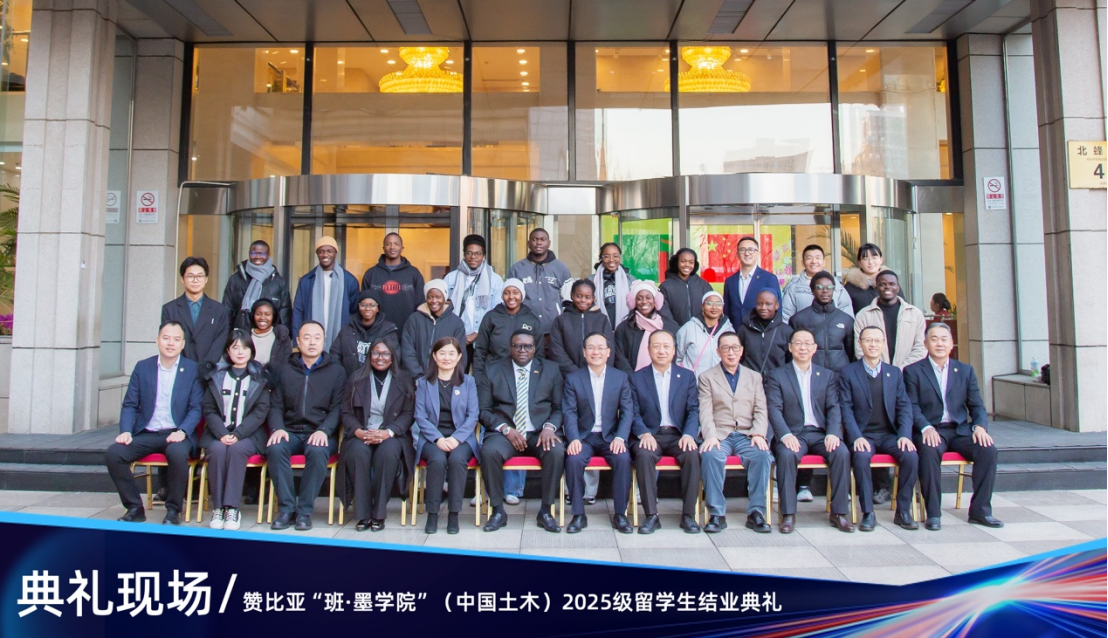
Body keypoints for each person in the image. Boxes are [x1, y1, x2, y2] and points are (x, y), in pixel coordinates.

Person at [905, 323, 1002, 531]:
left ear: (951, 344)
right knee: (929, 451)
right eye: (934, 339)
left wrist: (979, 426)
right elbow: (911, 406)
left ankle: (980, 511)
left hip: (959, 431)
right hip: (930, 430)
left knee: (988, 450)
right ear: (925, 343)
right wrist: (925, 427)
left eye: (944, 339)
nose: (939, 343)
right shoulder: (913, 371)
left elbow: (977, 405)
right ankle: (933, 513)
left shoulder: (965, 371)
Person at [105, 321, 203, 525]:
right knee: (114, 454)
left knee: (177, 454)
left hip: (177, 433)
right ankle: (134, 508)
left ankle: (173, 510)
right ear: (157, 340)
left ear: (183, 344)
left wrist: (183, 431)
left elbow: (196, 408)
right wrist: (126, 430)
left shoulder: (192, 369)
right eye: (166, 338)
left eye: (176, 339)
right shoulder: (143, 367)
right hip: (147, 432)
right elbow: (130, 404)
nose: (170, 343)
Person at [765, 329, 854, 534]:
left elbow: (833, 407)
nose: (803, 348)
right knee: (786, 455)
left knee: (841, 452)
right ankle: (788, 514)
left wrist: (833, 432)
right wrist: (785, 434)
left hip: (821, 433)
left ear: (814, 348)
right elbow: (774, 408)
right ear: (790, 347)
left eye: (807, 344)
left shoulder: (827, 375)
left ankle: (839, 513)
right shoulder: (777, 375)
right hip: (792, 434)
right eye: (798, 343)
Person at [479, 330, 566, 533]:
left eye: (527, 346)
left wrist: (549, 427)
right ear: (509, 348)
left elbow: (560, 407)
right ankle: (497, 511)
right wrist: (505, 429)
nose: (522, 350)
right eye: (517, 346)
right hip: (505, 433)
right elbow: (483, 410)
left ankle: (546, 511)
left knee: (556, 451)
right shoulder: (493, 369)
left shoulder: (550, 369)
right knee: (489, 451)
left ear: (535, 348)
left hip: (539, 432)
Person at [266, 321, 347, 531]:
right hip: (290, 431)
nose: (312, 342)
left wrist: (324, 430)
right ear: (298, 341)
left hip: (320, 432)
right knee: (275, 448)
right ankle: (286, 510)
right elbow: (275, 405)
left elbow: (338, 409)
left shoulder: (336, 371)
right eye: (307, 337)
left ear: (324, 341)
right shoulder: (284, 370)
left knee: (317, 451)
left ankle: (304, 512)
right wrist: (278, 428)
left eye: (317, 338)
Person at [838, 326, 919, 532]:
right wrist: (856, 437)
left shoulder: (894, 373)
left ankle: (903, 511)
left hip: (889, 434)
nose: (873, 344)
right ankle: (868, 512)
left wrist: (905, 435)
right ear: (860, 343)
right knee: (861, 456)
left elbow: (904, 407)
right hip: (863, 435)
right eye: (868, 340)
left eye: (877, 341)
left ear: (883, 344)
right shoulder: (848, 372)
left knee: (910, 455)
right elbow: (845, 408)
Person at [698, 331, 773, 534]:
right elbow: (705, 411)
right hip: (720, 434)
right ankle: (716, 514)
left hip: (747, 434)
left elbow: (760, 409)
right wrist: (710, 436)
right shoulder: (706, 377)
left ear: (741, 351)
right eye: (726, 348)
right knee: (711, 455)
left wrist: (758, 433)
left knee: (762, 455)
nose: (731, 352)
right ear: (718, 351)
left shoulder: (754, 377)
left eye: (735, 348)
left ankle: (756, 513)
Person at [628, 330, 702, 534]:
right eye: (656, 346)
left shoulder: (686, 376)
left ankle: (688, 515)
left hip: (678, 435)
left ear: (674, 350)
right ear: (648, 349)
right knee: (643, 455)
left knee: (692, 454)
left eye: (666, 346)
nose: (661, 351)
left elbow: (693, 410)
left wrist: (689, 434)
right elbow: (632, 412)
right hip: (650, 434)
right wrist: (643, 433)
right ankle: (651, 515)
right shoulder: (636, 378)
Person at [340, 338, 415, 532]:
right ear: (369, 355)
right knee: (357, 453)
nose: (380, 357)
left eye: (385, 353)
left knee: (387, 454)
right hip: (361, 433)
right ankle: (363, 514)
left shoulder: (404, 380)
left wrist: (388, 432)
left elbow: (409, 414)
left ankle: (379, 513)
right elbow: (346, 412)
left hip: (391, 435)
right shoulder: (356, 379)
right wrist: (358, 431)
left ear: (392, 356)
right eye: (375, 353)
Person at [563, 332, 635, 534]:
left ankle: (620, 514)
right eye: (591, 348)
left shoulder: (620, 378)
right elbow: (569, 412)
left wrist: (620, 437)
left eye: (601, 348)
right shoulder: (573, 379)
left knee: (623, 458)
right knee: (573, 460)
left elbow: (628, 411)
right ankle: (578, 514)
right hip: (584, 437)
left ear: (608, 352)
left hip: (610, 436)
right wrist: (573, 438)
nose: (596, 352)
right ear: (584, 352)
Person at [200, 330, 272, 531]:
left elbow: (260, 412)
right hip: (218, 433)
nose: (240, 352)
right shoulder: (216, 377)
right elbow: (209, 409)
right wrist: (222, 433)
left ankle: (232, 508)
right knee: (216, 450)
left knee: (237, 449)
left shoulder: (260, 379)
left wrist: (238, 434)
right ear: (228, 351)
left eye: (245, 347)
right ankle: (218, 508)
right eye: (235, 347)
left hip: (249, 435)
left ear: (251, 351)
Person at [413, 337, 479, 535]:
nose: (446, 358)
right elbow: (420, 416)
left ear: (459, 357)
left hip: (462, 437)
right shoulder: (423, 383)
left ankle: (453, 514)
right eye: (442, 353)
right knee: (437, 459)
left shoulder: (468, 382)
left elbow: (473, 415)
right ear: (434, 356)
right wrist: (438, 439)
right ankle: (432, 514)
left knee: (457, 460)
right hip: (432, 437)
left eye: (451, 353)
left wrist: (456, 439)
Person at [162, 256, 230, 380]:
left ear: (206, 279)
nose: (195, 280)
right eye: (190, 276)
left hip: (208, 375)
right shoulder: (169, 309)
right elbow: (169, 341)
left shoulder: (219, 310)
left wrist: (205, 369)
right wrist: (184, 367)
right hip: (178, 373)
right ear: (182, 279)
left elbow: (219, 343)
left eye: (200, 276)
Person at [444, 234, 504, 370]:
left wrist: (476, 333)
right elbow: (444, 310)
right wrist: (460, 334)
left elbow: (498, 311)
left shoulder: (495, 280)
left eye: (477, 253)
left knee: (482, 377)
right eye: (469, 253)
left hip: (485, 338)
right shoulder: (451, 278)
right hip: (457, 337)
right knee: (458, 376)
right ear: (464, 254)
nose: (473, 257)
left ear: (484, 256)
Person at [291, 236, 360, 350]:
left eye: (329, 251)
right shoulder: (306, 281)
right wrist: (296, 341)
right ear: (317, 254)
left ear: (335, 253)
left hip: (341, 341)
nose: (325, 255)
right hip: (311, 342)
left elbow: (355, 313)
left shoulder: (349, 280)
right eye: (321, 251)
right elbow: (298, 312)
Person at [507, 228, 572, 338]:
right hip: (524, 328)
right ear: (528, 243)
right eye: (534, 239)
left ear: (549, 243)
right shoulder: (517, 269)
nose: (538, 243)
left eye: (543, 239)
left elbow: (568, 301)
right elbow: (509, 299)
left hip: (554, 330)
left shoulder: (561, 268)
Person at [854, 270, 926, 369]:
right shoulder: (863, 315)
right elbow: (860, 349)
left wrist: (901, 370)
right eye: (882, 284)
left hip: (908, 373)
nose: (887, 287)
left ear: (898, 288)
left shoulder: (915, 314)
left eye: (892, 284)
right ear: (876, 288)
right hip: (875, 373)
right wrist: (881, 371)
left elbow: (921, 348)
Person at [472, 278, 543, 377]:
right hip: (494, 374)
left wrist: (535, 376)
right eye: (506, 293)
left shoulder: (532, 320)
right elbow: (480, 350)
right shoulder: (491, 317)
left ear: (522, 295)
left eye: (515, 293)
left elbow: (539, 353)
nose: (511, 297)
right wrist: (479, 378)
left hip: (523, 376)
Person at [788, 271, 855, 372]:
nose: (825, 291)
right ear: (812, 290)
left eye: (829, 287)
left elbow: (851, 351)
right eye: (819, 287)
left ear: (834, 290)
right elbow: (792, 351)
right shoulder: (798, 319)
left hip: (840, 375)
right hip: (810, 374)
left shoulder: (846, 319)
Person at [361, 232, 426, 335]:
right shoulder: (371, 274)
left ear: (402, 248)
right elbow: (364, 306)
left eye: (396, 244)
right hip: (377, 332)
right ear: (383, 248)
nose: (392, 247)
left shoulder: (414, 273)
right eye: (388, 244)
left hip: (407, 332)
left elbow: (420, 305)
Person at [400, 279, 466, 379]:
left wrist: (447, 378)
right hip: (416, 380)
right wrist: (418, 376)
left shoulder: (456, 323)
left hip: (445, 380)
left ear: (445, 297)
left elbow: (460, 354)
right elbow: (407, 350)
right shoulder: (414, 319)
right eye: (430, 297)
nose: (434, 301)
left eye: (438, 297)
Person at [221, 239, 291, 331]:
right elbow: (227, 310)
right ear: (249, 253)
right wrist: (227, 336)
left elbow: (284, 313)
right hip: (241, 334)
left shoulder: (279, 282)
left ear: (268, 254)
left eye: (262, 253)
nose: (257, 256)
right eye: (254, 253)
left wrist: (283, 336)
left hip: (270, 336)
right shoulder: (235, 279)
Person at [549, 279, 614, 377]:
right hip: (568, 376)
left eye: (587, 297)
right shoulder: (561, 320)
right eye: (579, 296)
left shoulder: (602, 319)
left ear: (593, 298)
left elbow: (609, 348)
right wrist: (575, 373)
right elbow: (557, 351)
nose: (583, 300)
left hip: (597, 375)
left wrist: (598, 371)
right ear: (572, 295)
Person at [330, 289, 400, 377]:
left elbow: (395, 358)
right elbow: (334, 356)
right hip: (350, 382)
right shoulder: (346, 330)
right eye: (363, 305)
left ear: (378, 308)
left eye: (372, 305)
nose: (367, 308)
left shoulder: (388, 331)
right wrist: (342, 377)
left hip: (378, 381)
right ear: (358, 307)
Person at [613, 281, 679, 373]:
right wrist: (632, 378)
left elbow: (674, 355)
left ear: (656, 300)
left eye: (648, 298)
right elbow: (620, 358)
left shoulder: (669, 327)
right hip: (632, 379)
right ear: (633, 302)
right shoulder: (623, 328)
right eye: (639, 298)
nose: (644, 302)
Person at [723, 236, 781, 333]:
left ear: (758, 254)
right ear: (737, 254)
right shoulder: (730, 281)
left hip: (760, 333)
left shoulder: (769, 278)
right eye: (742, 250)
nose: (747, 253)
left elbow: (777, 310)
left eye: (751, 250)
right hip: (735, 333)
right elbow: (727, 311)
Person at [780, 244, 853, 321]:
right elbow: (786, 317)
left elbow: (846, 315)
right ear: (803, 263)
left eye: (818, 258)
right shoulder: (794, 288)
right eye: (809, 258)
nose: (814, 261)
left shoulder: (837, 286)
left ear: (824, 262)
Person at [674, 291, 733, 376]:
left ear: (723, 307)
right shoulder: (688, 328)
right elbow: (678, 357)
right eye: (709, 303)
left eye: (718, 304)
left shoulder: (729, 330)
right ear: (702, 306)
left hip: (719, 381)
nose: (714, 307)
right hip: (693, 381)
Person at [737, 290, 793, 375]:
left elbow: (791, 360)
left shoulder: (786, 331)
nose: (763, 307)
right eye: (759, 304)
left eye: (768, 304)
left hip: (776, 380)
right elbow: (738, 356)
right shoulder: (744, 329)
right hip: (750, 379)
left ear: (777, 306)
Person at [659, 248, 714, 327]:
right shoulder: (665, 286)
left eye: (691, 262)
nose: (687, 265)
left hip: (701, 331)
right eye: (683, 261)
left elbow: (711, 309)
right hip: (675, 332)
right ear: (677, 262)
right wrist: (676, 331)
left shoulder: (704, 285)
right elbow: (664, 315)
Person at [593, 242, 637, 330]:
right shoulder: (591, 280)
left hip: (625, 329)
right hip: (599, 328)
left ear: (620, 258)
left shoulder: (630, 280)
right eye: (607, 256)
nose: (611, 259)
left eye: (615, 256)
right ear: (601, 258)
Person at [842, 242, 889, 315]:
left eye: (874, 258)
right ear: (859, 263)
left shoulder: (890, 282)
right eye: (865, 259)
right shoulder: (850, 287)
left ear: (881, 260)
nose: (870, 262)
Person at [248, 299, 293, 370]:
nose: (262, 318)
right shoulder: (246, 335)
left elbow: (287, 363)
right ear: (253, 315)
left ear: (273, 316)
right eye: (258, 314)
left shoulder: (282, 336)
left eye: (267, 314)